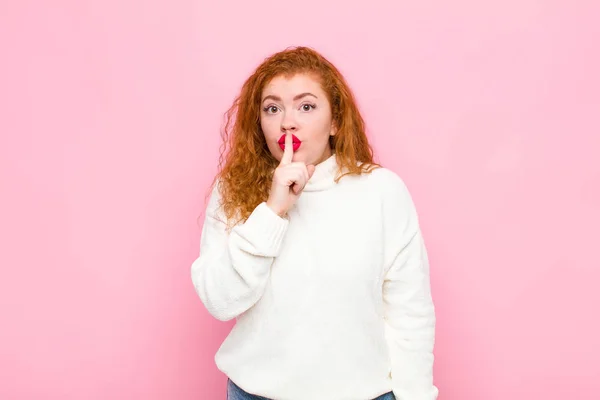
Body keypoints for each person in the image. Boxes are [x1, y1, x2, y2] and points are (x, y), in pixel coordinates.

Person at [191, 46, 439, 400]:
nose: (287, 121)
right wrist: (273, 209)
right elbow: (220, 300)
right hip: (256, 394)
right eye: (272, 108)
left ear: (335, 121)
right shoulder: (233, 189)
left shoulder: (381, 190)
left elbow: (409, 311)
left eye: (306, 106)